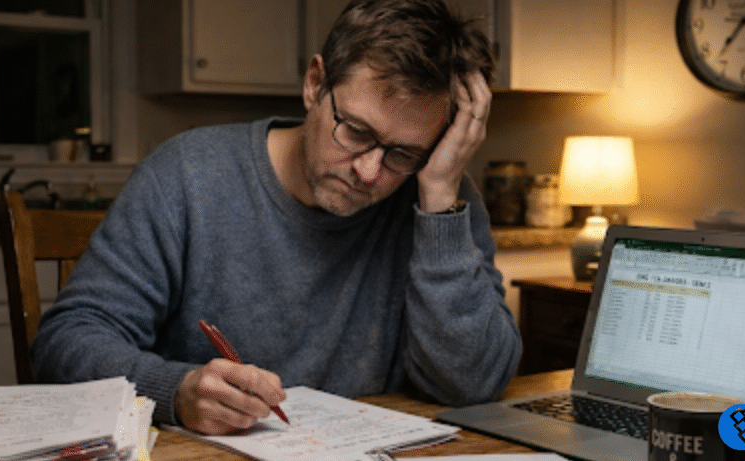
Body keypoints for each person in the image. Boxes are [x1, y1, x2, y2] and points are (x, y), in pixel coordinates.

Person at [32, 0, 521, 435]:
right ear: (314, 84)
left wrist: (438, 197)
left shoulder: (440, 191)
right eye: (354, 130)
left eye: (402, 153)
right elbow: (64, 344)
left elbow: (474, 383)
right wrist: (175, 390)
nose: (370, 172)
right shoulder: (188, 175)